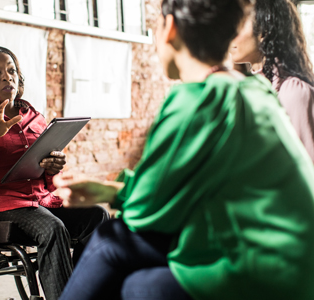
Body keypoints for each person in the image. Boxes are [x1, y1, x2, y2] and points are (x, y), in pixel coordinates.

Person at [53, 0, 314, 299]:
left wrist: (118, 194)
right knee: (131, 276)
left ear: (170, 28)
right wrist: (111, 191)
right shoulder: (255, 89)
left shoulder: (200, 98)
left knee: (114, 245)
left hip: (262, 270)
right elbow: (176, 188)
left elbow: (145, 211)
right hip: (296, 264)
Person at [0, 46, 109, 300]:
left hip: (38, 201)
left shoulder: (35, 117)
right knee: (52, 228)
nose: (7, 77)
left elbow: (46, 179)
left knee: (98, 216)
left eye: (12, 71)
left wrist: (52, 168)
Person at [230, 0, 314, 162]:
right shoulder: (253, 86)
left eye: (239, 25)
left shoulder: (293, 92)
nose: (230, 35)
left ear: (264, 32)